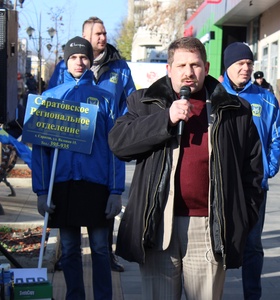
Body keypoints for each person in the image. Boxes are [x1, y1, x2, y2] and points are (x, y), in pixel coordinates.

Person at [108, 37, 264, 299]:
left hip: (209, 227)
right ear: (169, 69)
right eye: (181, 65)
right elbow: (119, 143)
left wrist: (242, 218)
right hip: (158, 225)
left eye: (195, 65)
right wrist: (165, 119)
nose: (188, 72)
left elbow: (254, 171)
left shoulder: (235, 110)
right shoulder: (145, 103)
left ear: (207, 66)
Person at [32, 36, 124, 300]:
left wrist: (116, 191)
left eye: (83, 56)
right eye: (73, 57)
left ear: (90, 60)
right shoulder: (49, 99)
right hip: (62, 185)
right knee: (70, 248)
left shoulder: (104, 99)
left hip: (96, 185)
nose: (79, 62)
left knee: (100, 248)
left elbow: (115, 147)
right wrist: (41, 191)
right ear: (65, 60)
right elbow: (40, 151)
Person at [48, 16, 135, 272]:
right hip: (70, 155)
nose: (102, 37)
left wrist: (123, 128)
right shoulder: (65, 68)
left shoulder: (119, 66)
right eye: (97, 33)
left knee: (103, 217)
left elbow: (129, 100)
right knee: (70, 221)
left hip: (105, 147)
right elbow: (54, 105)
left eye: (104, 32)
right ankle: (67, 256)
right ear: (84, 37)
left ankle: (107, 255)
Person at [221, 42, 280, 300]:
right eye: (240, 64)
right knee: (220, 242)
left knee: (252, 244)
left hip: (255, 186)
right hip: (223, 184)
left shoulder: (265, 98)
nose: (246, 68)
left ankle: (252, 295)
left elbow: (278, 137)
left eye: (249, 64)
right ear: (228, 67)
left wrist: (267, 170)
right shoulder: (215, 96)